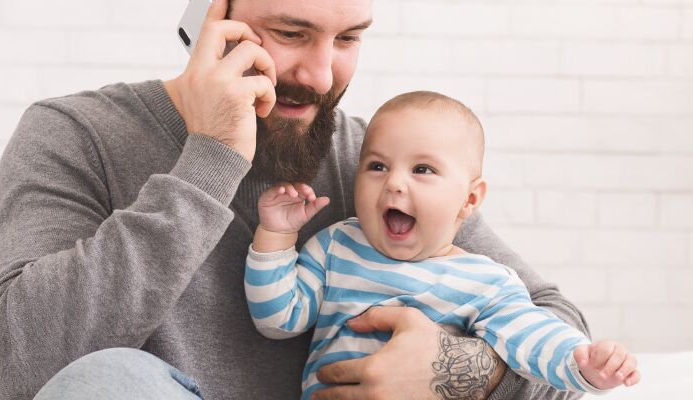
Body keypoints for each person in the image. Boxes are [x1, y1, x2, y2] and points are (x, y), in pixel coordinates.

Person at [0, 0, 593, 398]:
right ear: (210, 20)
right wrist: (212, 158)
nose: (322, 76)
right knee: (109, 383)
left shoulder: (380, 167)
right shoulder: (77, 135)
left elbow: (560, 333)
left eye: (348, 38)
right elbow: (22, 368)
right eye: (291, 33)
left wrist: (454, 372)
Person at [246, 91, 641, 399]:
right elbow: (279, 319)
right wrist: (276, 236)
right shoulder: (337, 247)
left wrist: (585, 363)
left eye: (422, 169)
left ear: (469, 200)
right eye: (377, 166)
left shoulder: (486, 283)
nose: (394, 183)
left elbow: (533, 339)